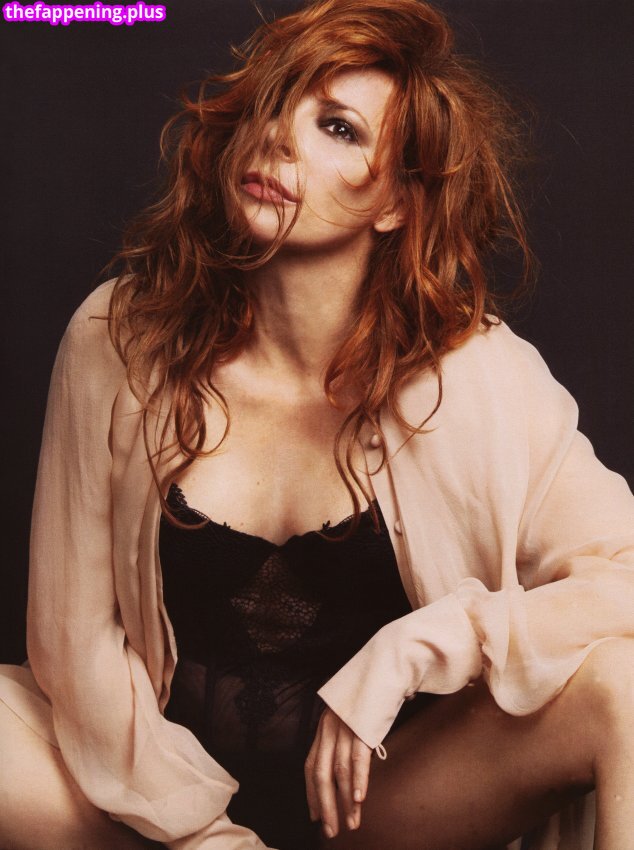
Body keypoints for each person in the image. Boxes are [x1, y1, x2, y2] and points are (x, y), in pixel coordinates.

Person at [1, 0, 633, 848]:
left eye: (337, 127)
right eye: (273, 106)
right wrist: (206, 839)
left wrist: (423, 643)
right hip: (144, 807)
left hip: (379, 810)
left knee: (622, 686)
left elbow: (625, 580)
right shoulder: (119, 338)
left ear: (397, 202)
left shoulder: (478, 376)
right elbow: (74, 648)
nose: (277, 139)